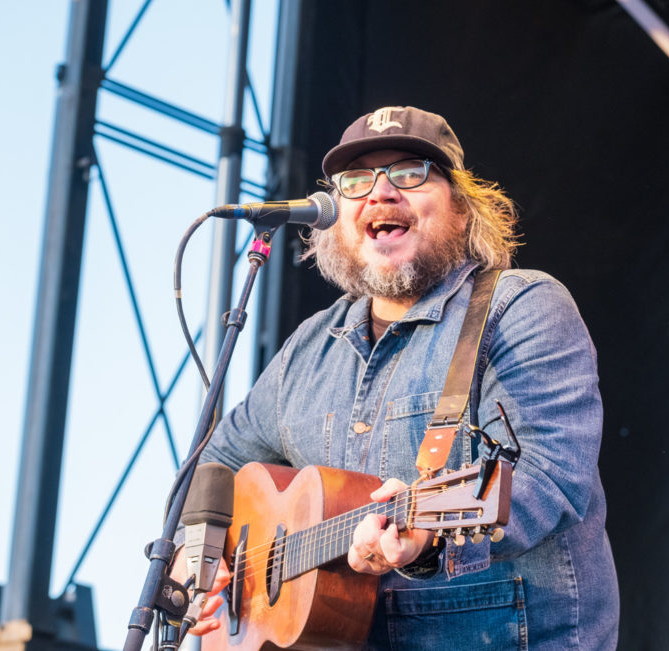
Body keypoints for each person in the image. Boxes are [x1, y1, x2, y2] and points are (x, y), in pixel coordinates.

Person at [184, 105, 619, 649]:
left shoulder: (519, 306)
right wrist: (199, 556)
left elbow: (549, 473)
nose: (380, 193)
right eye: (356, 180)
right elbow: (213, 465)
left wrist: (427, 538)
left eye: (410, 173)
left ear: (462, 208)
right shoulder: (309, 348)